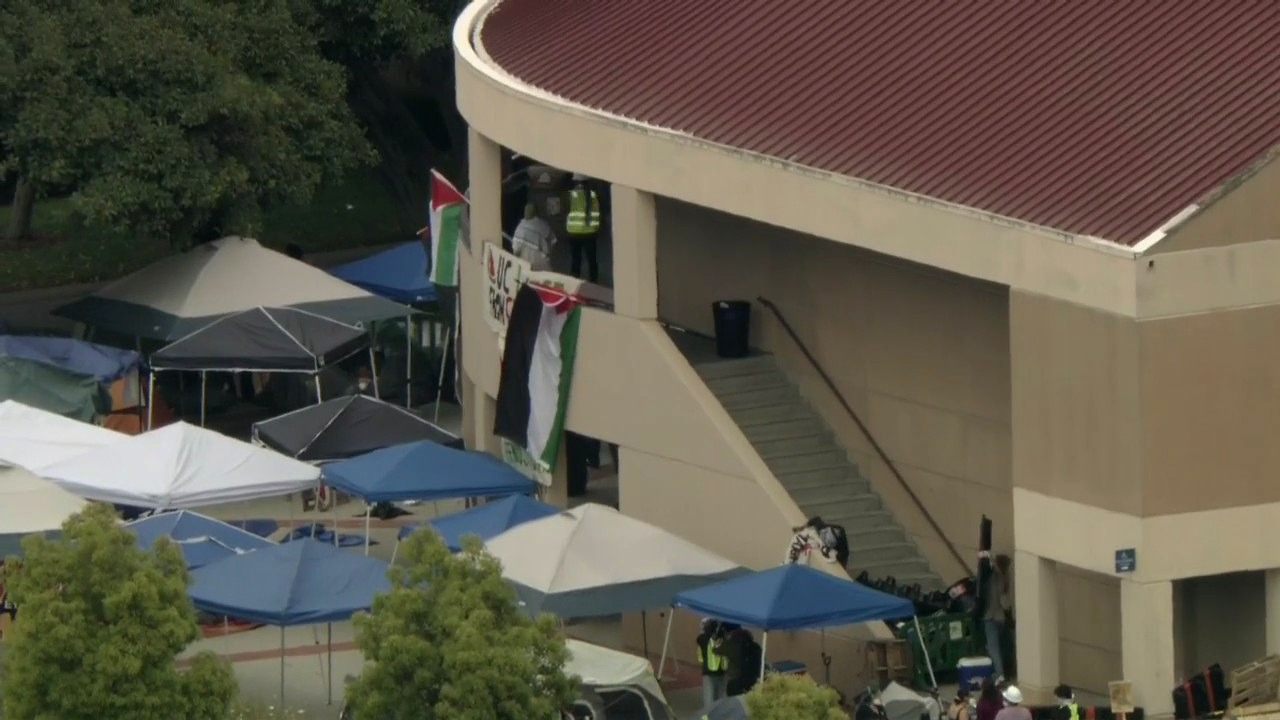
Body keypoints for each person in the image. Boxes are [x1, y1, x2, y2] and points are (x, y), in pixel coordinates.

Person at [981, 551, 1012, 682]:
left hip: (991, 616)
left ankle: (999, 674)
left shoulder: (993, 576)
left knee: (993, 647)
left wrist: (988, 559)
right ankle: (1002, 671)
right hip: (1001, 617)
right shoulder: (1005, 577)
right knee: (999, 645)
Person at [565, 172, 602, 282]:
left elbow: (564, 210)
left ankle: (574, 282)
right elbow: (598, 211)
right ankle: (594, 283)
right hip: (590, 232)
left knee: (576, 260)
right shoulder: (593, 195)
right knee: (592, 260)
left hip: (573, 232)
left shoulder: (571, 194)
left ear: (575, 182)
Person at [511, 202, 557, 271]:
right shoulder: (544, 225)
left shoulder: (520, 227)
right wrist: (547, 252)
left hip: (527, 266)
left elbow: (516, 250)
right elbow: (553, 241)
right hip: (543, 266)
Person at [696, 619, 728, 707]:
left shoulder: (703, 639)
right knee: (719, 698)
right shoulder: (721, 639)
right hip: (720, 671)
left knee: (709, 698)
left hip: (709, 671)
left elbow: (700, 658)